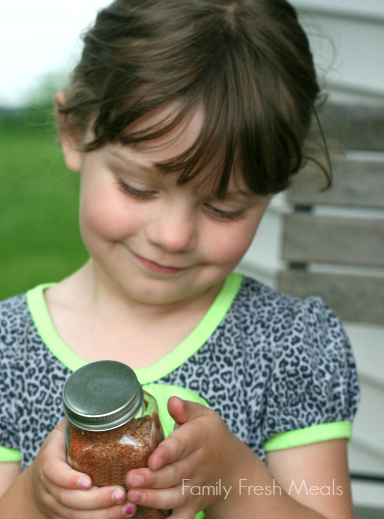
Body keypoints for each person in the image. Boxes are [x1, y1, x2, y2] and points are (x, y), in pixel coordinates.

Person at [0, 0, 360, 518]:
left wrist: (235, 481)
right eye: (138, 187)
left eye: (222, 207)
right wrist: (37, 498)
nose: (173, 236)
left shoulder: (290, 348)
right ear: (74, 132)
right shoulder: (8, 352)